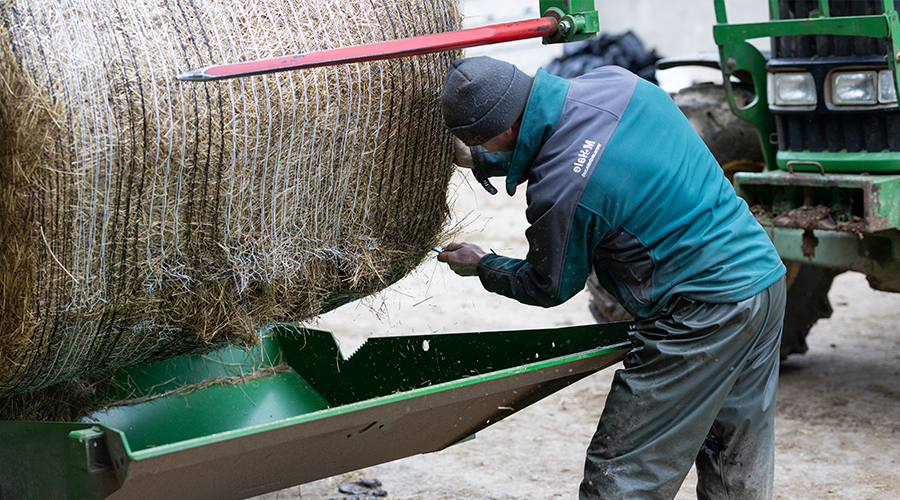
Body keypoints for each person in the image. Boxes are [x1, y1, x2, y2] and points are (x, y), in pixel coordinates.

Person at [436, 56, 787, 500]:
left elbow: (549, 285)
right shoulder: (616, 83)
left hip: (701, 314)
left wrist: (483, 263)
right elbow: (584, 146)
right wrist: (484, 158)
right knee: (733, 458)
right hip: (761, 277)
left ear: (501, 132)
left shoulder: (560, 192)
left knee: (622, 477)